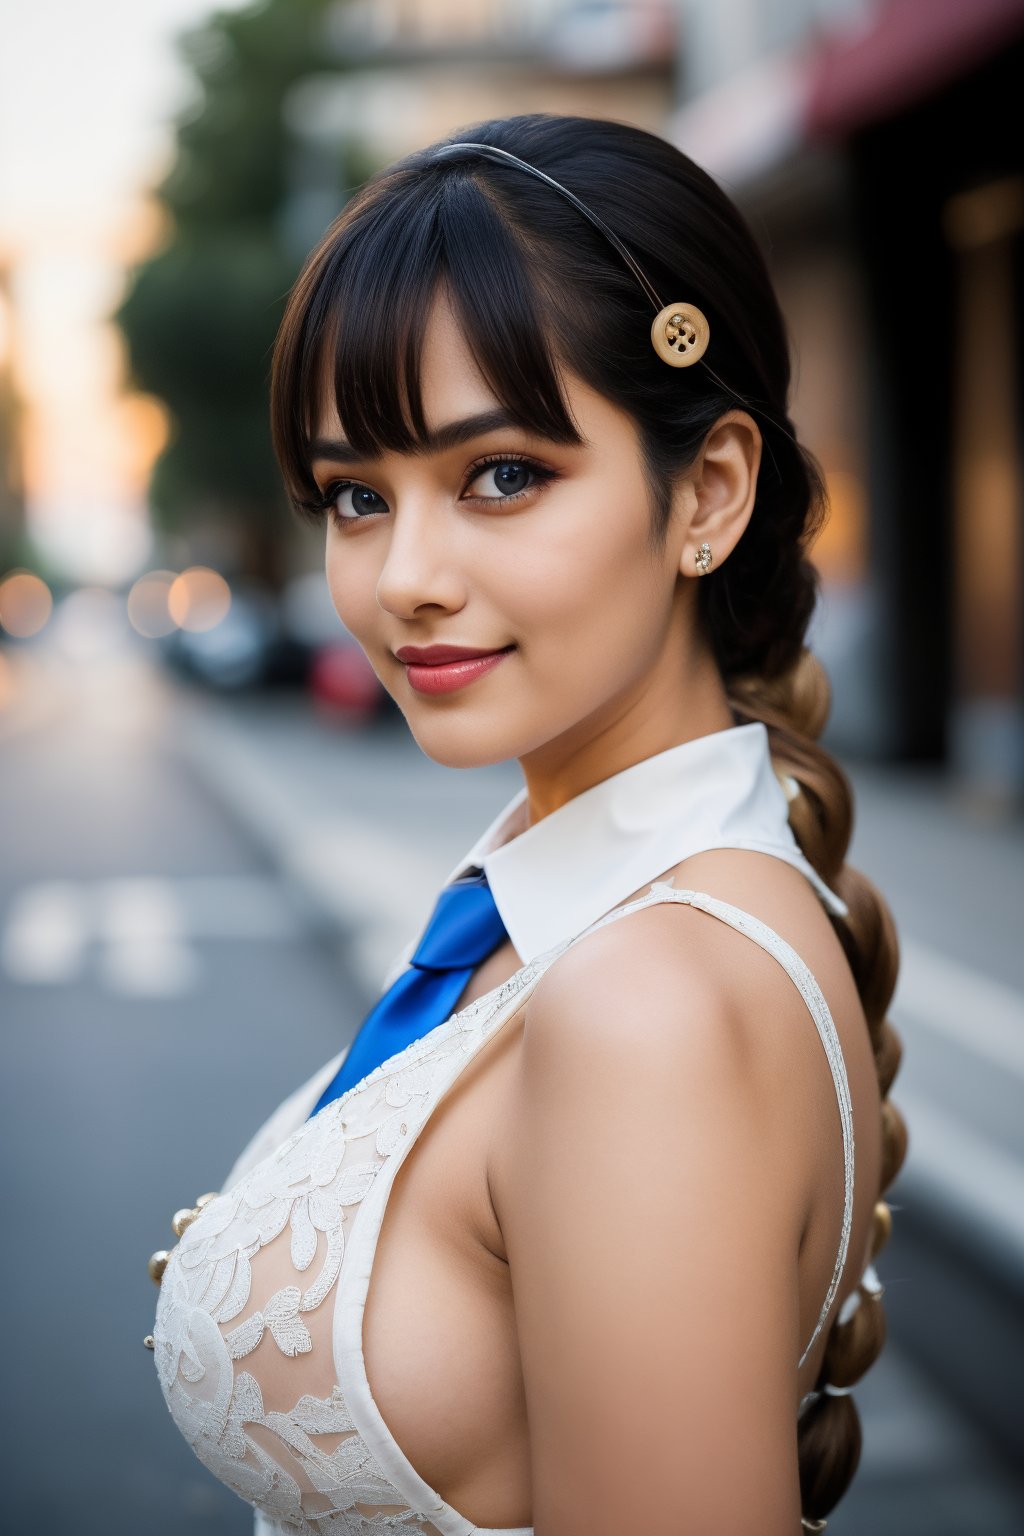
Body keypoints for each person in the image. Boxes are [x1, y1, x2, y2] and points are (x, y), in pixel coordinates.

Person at [148, 114, 908, 1535]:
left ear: (711, 491)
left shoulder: (646, 1001)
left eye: (501, 474)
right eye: (356, 495)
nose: (404, 580)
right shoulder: (572, 910)